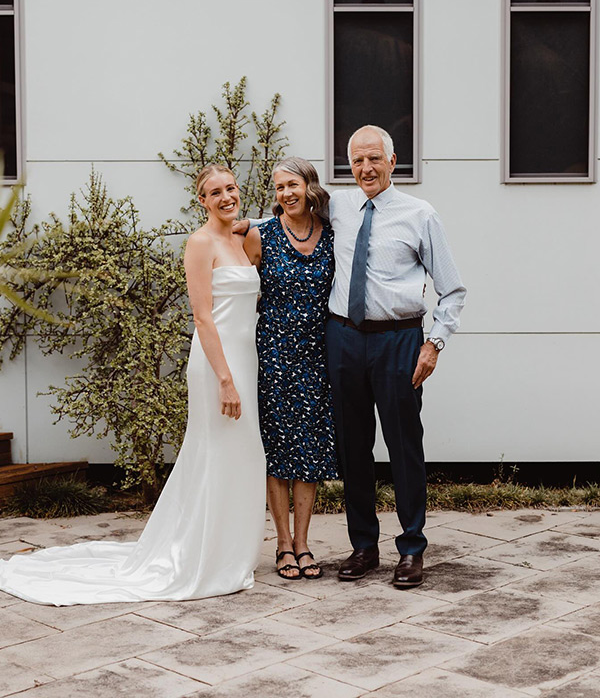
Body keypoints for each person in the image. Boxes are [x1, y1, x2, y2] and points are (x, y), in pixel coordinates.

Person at [0, 164, 266, 605]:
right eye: (214, 192)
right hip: (217, 367)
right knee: (214, 455)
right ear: (201, 200)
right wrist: (225, 380)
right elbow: (203, 318)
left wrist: (255, 223)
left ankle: (229, 555)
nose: (225, 197)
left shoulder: (243, 239)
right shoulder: (199, 244)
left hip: (247, 360)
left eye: (231, 189)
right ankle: (202, 559)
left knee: (242, 455)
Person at [327, 125, 466, 588]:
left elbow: (452, 289)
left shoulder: (419, 214)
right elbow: (289, 216)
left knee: (404, 446)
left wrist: (435, 342)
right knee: (353, 445)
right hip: (344, 338)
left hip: (399, 341)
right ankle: (364, 545)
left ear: (392, 160)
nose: (365, 169)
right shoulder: (338, 206)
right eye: (357, 161)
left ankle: (411, 549)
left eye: (374, 159)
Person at [244, 157, 337, 581]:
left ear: (308, 186)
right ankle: (282, 544)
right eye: (279, 187)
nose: (286, 193)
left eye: (292, 184)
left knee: (311, 450)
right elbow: (241, 287)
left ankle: (303, 542)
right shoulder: (260, 235)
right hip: (274, 355)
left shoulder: (332, 234)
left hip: (318, 355)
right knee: (279, 450)